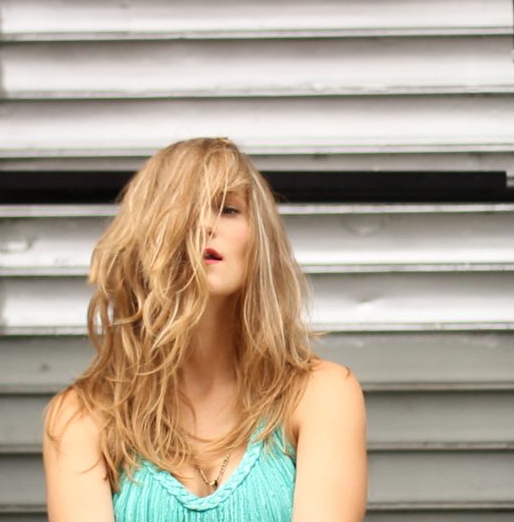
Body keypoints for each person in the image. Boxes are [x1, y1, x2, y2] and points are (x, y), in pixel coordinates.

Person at [42, 137, 367, 521]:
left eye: (228, 209)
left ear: (259, 239)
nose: (205, 226)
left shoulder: (321, 394)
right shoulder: (81, 417)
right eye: (180, 210)